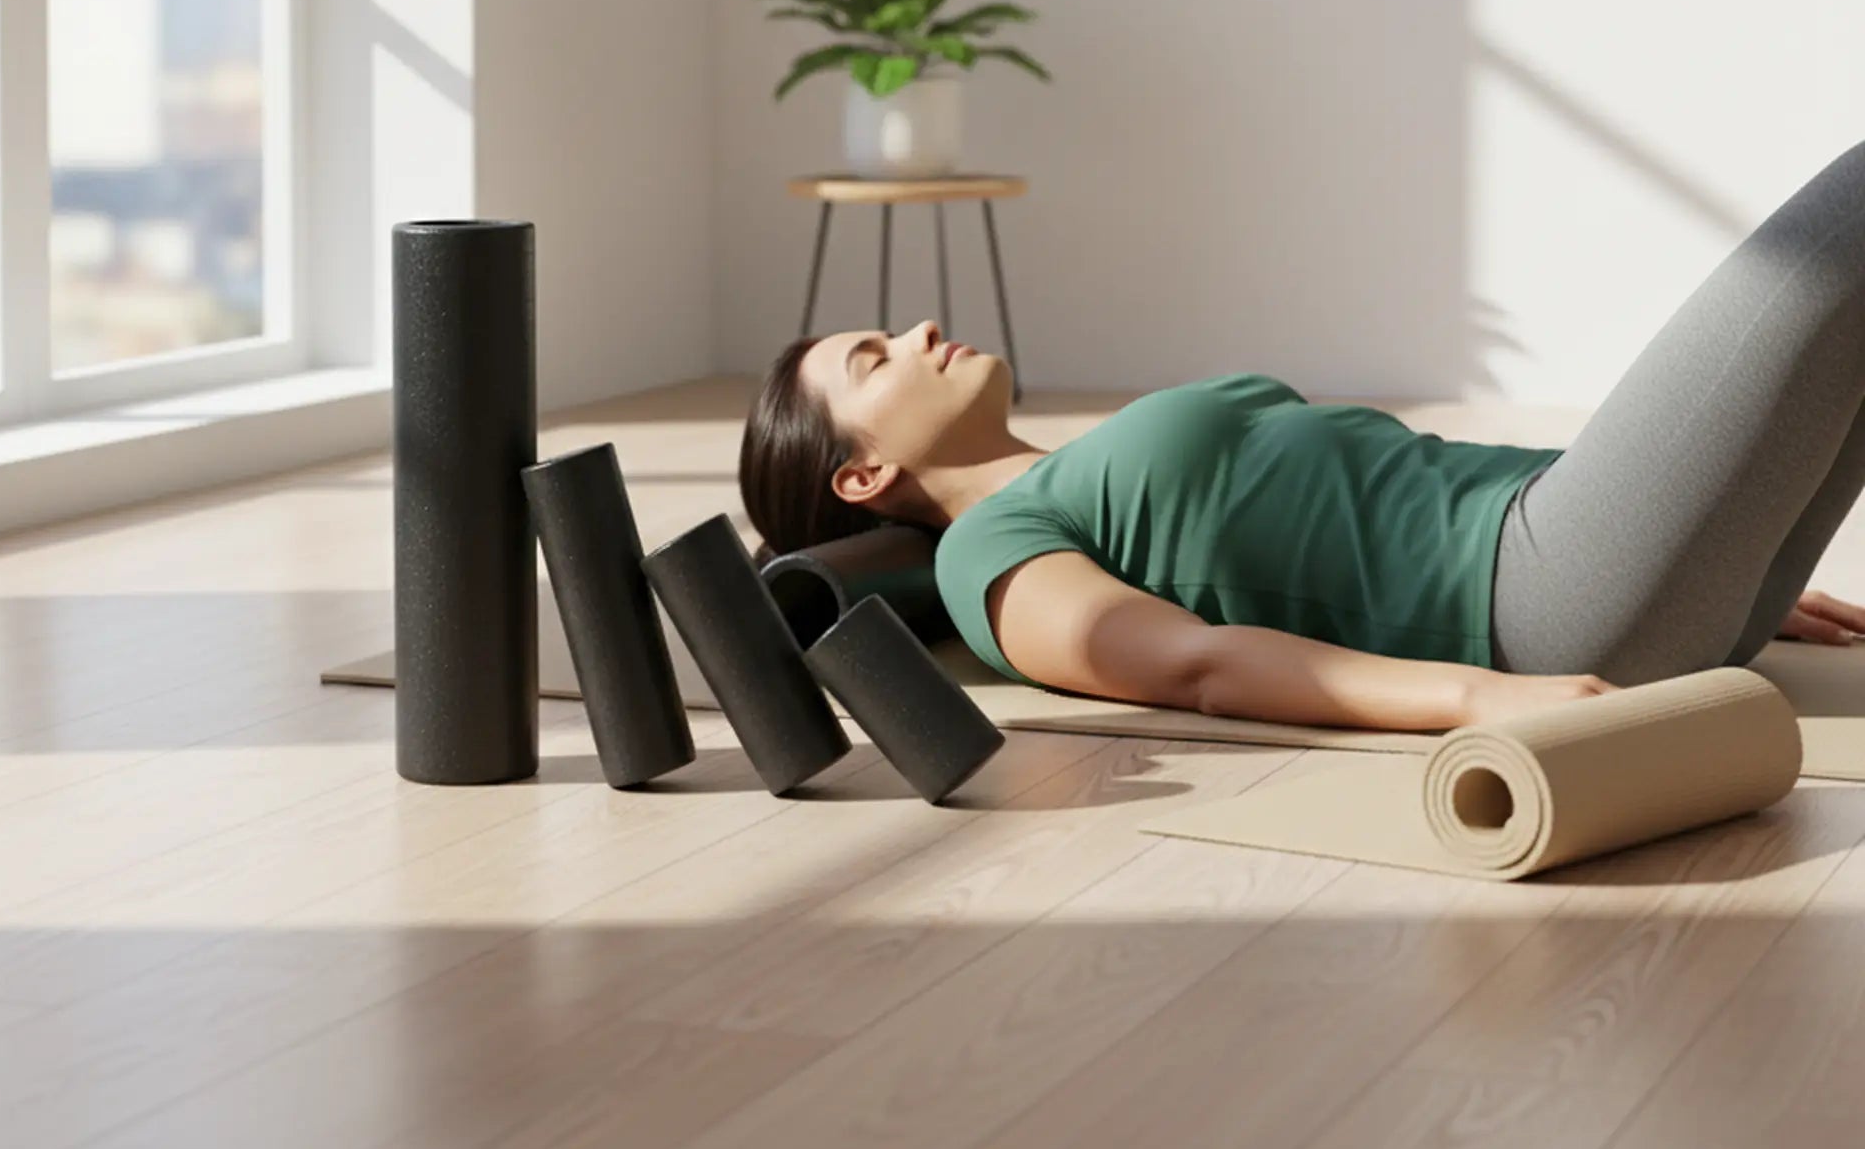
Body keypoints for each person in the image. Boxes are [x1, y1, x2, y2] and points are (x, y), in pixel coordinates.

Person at [738, 138, 1865, 733]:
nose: (917, 325)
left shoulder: (1070, 468)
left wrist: (1710, 540)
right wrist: (1477, 697)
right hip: (1544, 603)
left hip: (1605, 558)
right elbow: (1196, 666)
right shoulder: (988, 549)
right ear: (863, 471)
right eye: (872, 357)